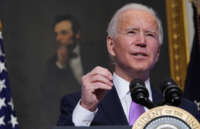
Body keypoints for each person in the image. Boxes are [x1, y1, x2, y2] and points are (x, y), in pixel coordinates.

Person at [56, 3, 200, 126]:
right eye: (132, 32)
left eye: (150, 34)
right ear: (111, 45)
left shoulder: (184, 110)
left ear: (158, 52)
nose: (141, 41)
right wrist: (87, 108)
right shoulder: (79, 105)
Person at [40, 14, 109, 129]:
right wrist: (61, 65)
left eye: (63, 33)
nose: (58, 38)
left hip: (102, 117)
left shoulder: (96, 51)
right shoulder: (53, 64)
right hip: (72, 121)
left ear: (77, 34)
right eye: (56, 34)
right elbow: (50, 99)